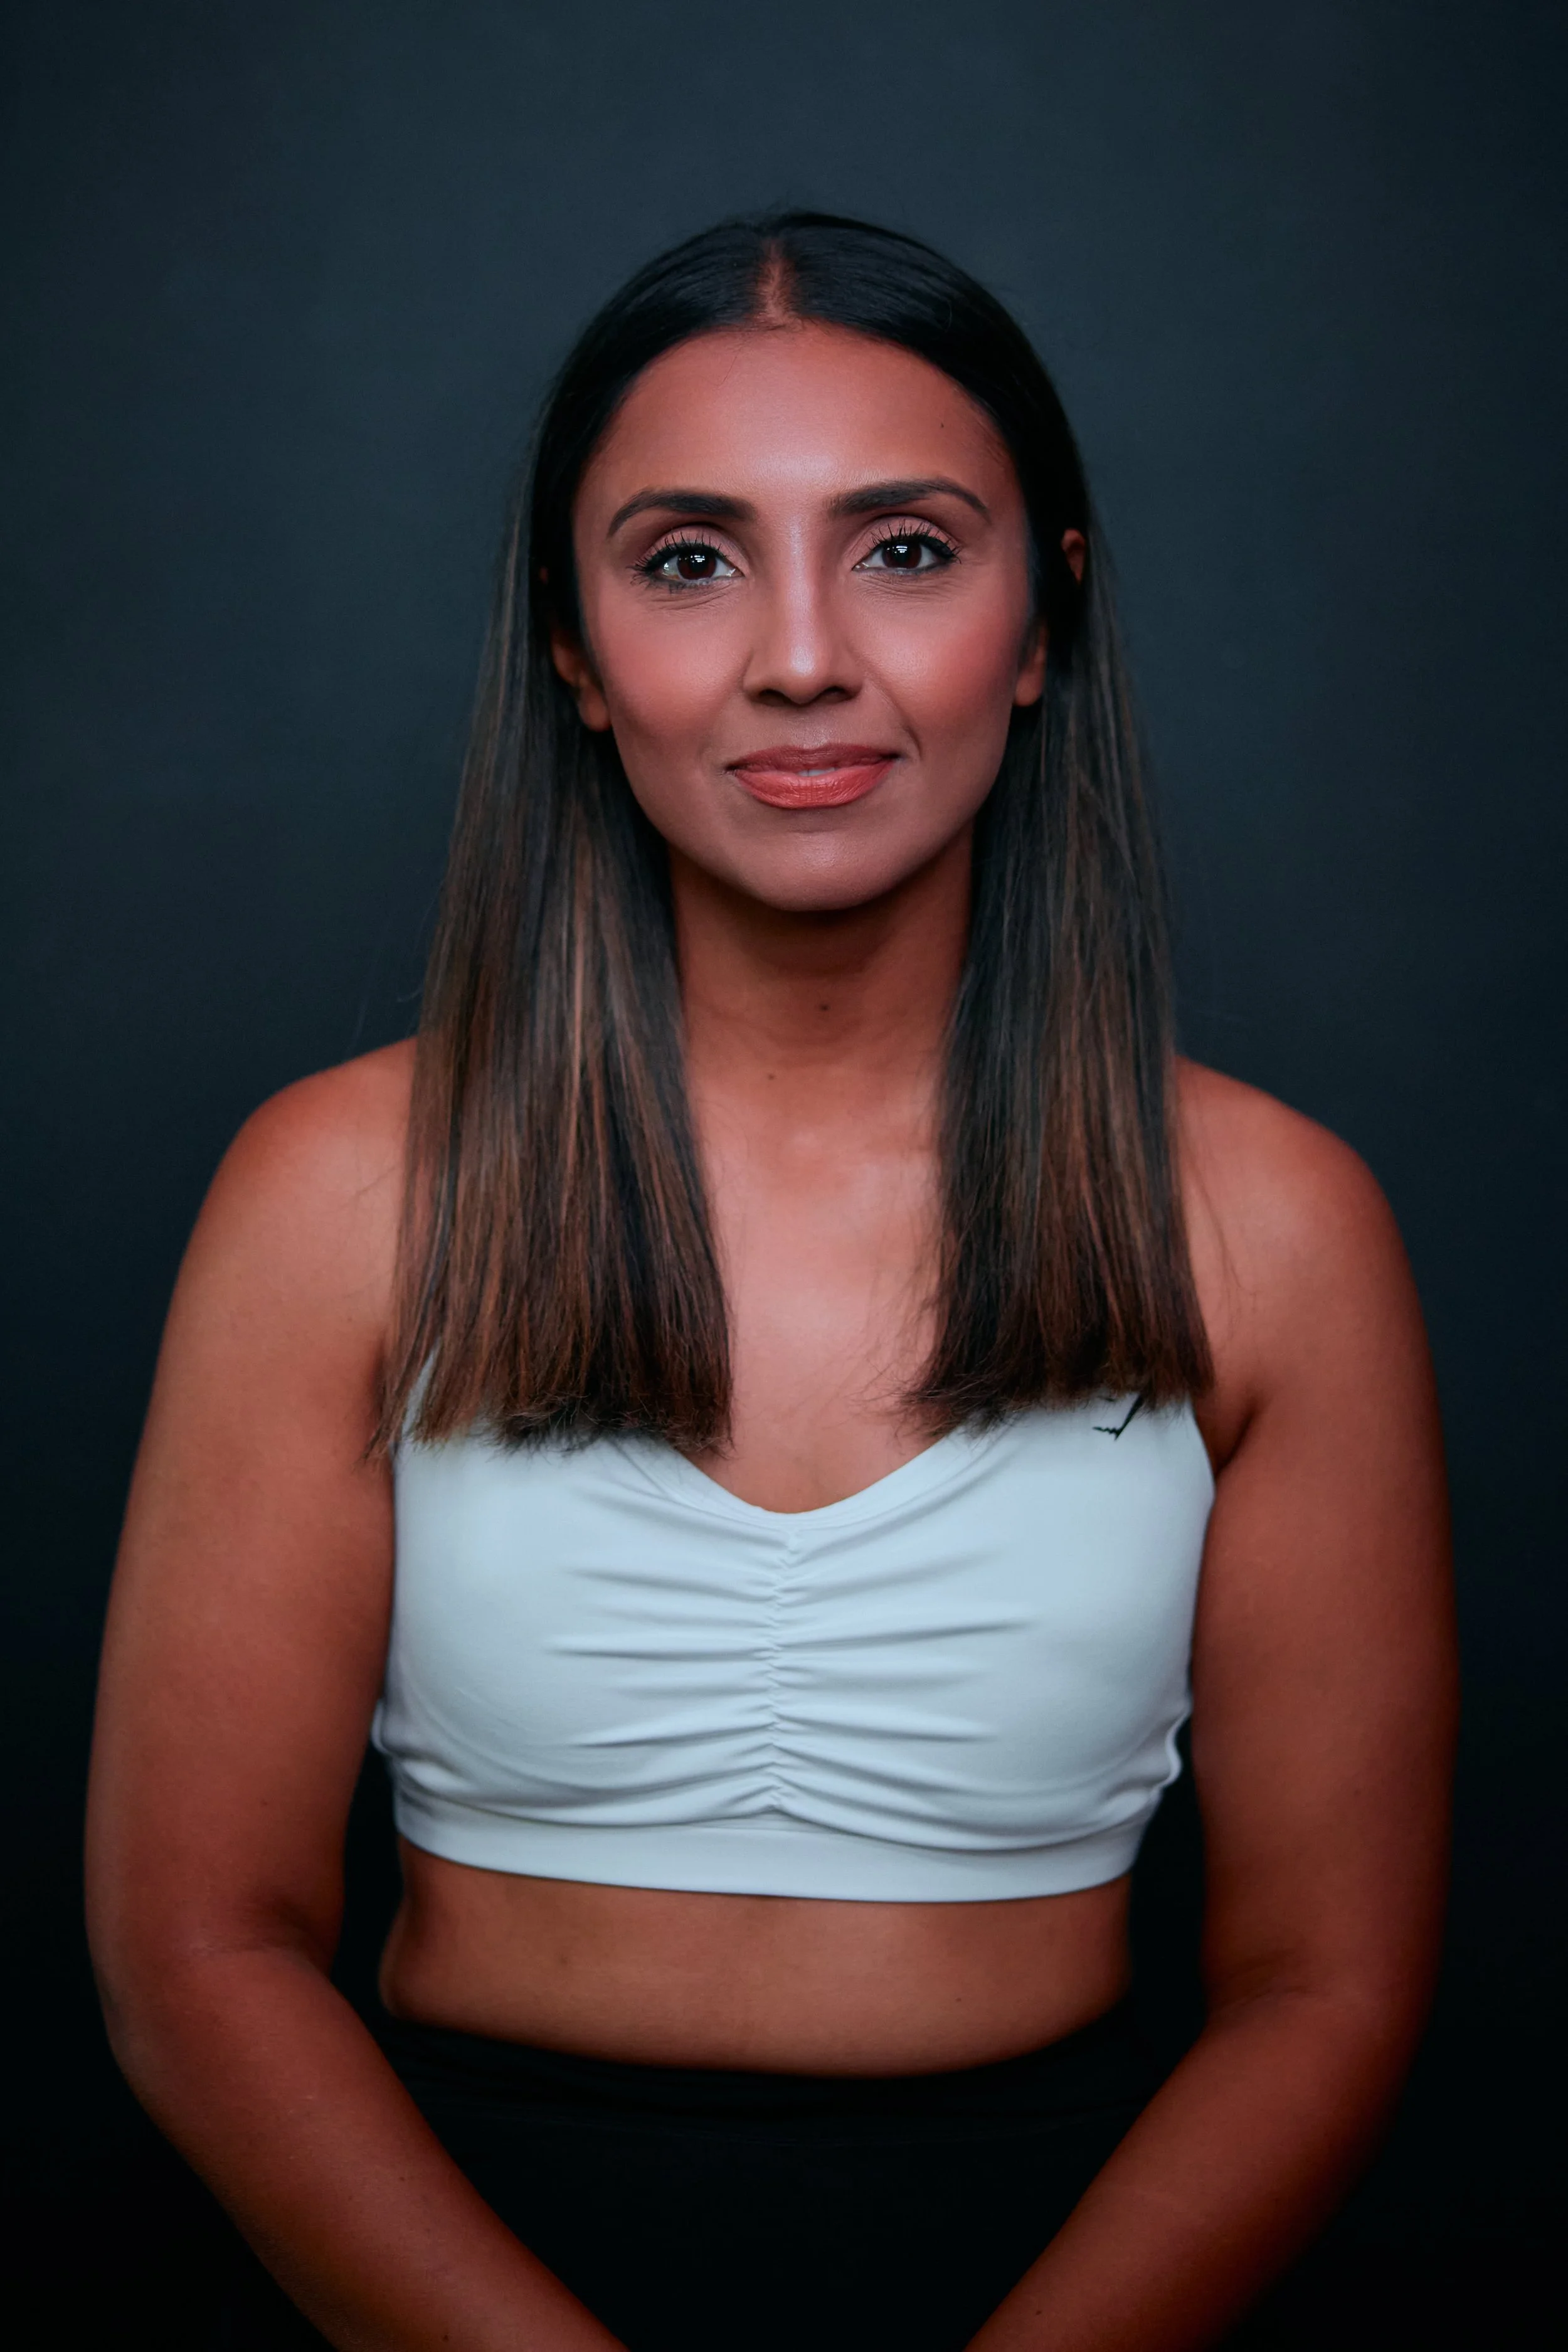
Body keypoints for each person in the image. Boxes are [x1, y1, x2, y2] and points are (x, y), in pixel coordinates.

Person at [86, 213, 1456, 2352]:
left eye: (905, 549)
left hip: (1062, 2272)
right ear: (569, 639)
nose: (801, 655)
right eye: (689, 558)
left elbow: (1324, 1984)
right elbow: (199, 1948)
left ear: (1039, 615)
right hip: (431, 2263)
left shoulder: (1271, 1225)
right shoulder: (343, 1188)